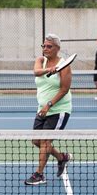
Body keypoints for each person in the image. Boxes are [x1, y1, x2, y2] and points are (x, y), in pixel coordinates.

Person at [25, 34, 73, 186]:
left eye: (49, 46)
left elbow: (64, 89)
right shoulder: (40, 60)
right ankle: (61, 158)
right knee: (36, 141)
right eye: (44, 46)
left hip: (58, 109)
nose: (45, 48)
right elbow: (36, 72)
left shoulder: (64, 66)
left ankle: (39, 174)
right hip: (42, 109)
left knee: (45, 141)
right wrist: (50, 69)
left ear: (57, 48)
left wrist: (49, 105)